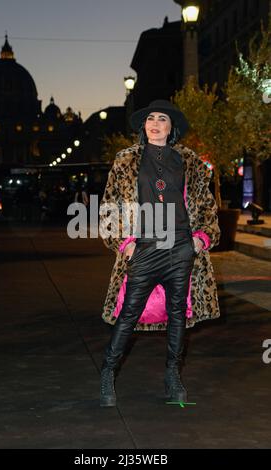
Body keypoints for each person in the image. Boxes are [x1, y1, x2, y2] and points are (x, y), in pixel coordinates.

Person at [98, 100, 220, 407]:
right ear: (143, 127)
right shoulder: (126, 160)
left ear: (171, 127)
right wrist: (123, 244)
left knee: (178, 314)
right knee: (128, 313)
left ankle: (172, 375)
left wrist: (200, 240)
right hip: (145, 247)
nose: (154, 123)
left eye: (161, 119)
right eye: (150, 118)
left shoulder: (189, 161)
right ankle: (107, 374)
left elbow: (206, 206)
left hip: (180, 247)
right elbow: (110, 205)